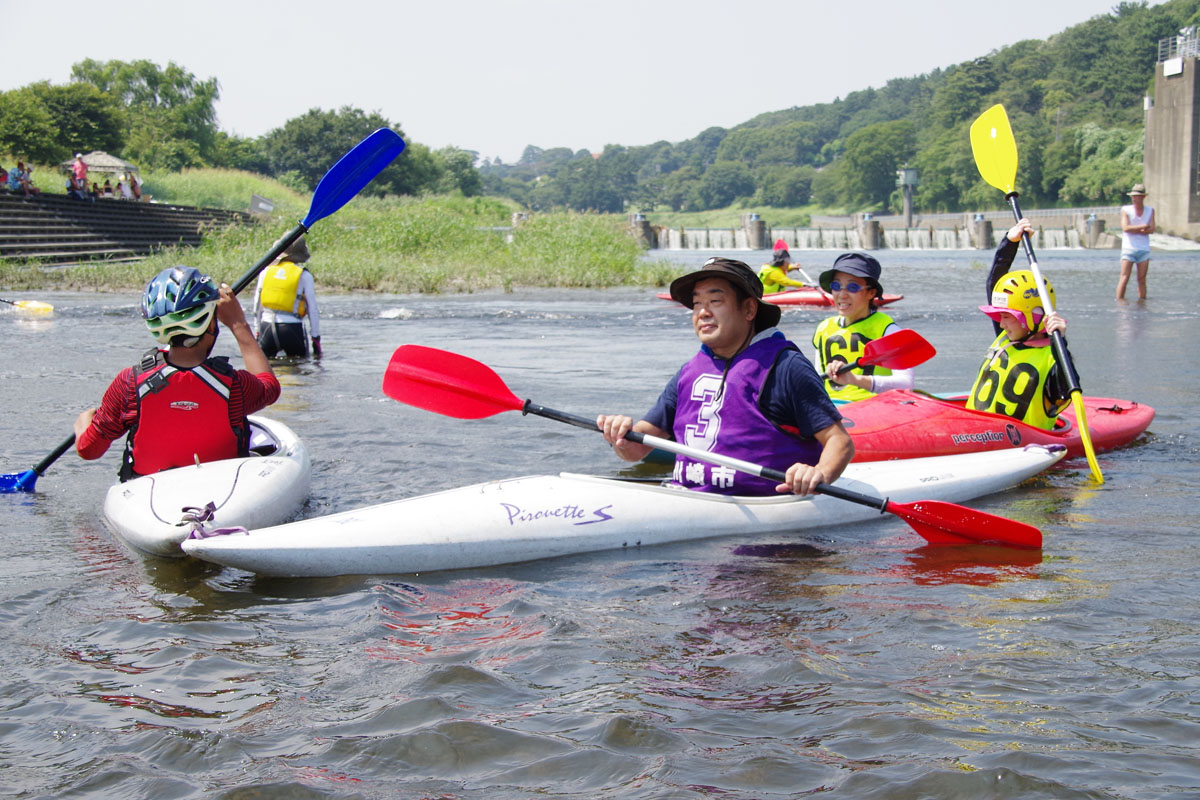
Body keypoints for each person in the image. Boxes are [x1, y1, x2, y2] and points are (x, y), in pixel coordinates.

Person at [597, 257, 854, 497]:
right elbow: (637, 448)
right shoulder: (690, 372)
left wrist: (818, 473)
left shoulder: (786, 366)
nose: (702, 312)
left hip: (765, 506)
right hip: (689, 500)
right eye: (697, 303)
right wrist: (620, 435)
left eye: (715, 302)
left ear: (749, 309)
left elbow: (839, 441)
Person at [74, 266, 281, 480]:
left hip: (149, 493)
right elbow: (270, 387)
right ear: (211, 323)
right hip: (220, 488)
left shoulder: (129, 383)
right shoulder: (234, 385)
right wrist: (238, 324)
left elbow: (89, 450)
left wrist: (84, 424)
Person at [966, 219, 1070, 430]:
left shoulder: (1053, 359)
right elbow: (994, 285)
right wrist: (1009, 242)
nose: (1001, 324)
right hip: (974, 432)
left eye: (1007, 317)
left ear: (1032, 318)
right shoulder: (1007, 338)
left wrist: (1062, 342)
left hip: (1021, 446)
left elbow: (1067, 388)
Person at [811, 252, 914, 403]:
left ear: (871, 293)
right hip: (831, 409)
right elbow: (816, 380)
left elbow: (906, 383)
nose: (842, 295)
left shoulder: (887, 330)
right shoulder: (823, 328)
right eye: (836, 286)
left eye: (852, 287)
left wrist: (855, 380)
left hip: (875, 408)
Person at [253, 234, 322, 358]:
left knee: (266, 370)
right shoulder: (304, 275)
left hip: (266, 327)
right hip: (291, 328)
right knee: (300, 367)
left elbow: (257, 306)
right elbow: (312, 309)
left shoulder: (265, 272)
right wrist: (315, 337)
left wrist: (257, 331)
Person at [1117, 183, 1154, 301]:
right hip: (1129, 248)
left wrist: (1135, 229)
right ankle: (1119, 302)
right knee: (1124, 277)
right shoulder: (1126, 210)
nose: (1134, 198)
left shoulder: (1150, 210)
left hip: (1144, 249)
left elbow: (1152, 229)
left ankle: (1142, 303)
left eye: (1137, 196)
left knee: (1142, 279)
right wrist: (1143, 227)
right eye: (1133, 196)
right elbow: (1125, 228)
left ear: (1143, 197)